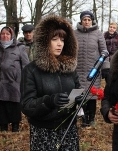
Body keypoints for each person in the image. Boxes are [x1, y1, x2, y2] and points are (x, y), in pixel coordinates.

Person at [21, 14, 81, 151]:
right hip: (44, 132)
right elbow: (27, 105)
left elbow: (77, 89)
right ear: (44, 42)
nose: (60, 43)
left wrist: (79, 99)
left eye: (62, 39)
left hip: (68, 129)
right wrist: (49, 101)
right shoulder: (31, 71)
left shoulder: (69, 68)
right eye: (54, 39)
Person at [0, 26, 29, 132]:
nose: (5, 36)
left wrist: (26, 84)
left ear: (11, 36)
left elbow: (26, 66)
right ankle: (3, 128)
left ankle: (15, 128)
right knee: (0, 106)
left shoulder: (19, 47)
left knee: (13, 106)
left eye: (7, 34)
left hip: (14, 83)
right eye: (3, 34)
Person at [74, 10, 109, 127]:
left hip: (93, 69)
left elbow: (104, 51)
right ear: (81, 21)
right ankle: (83, 118)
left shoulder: (98, 33)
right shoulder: (74, 33)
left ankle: (92, 118)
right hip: (78, 69)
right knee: (80, 95)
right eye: (84, 20)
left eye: (89, 20)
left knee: (92, 95)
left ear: (92, 21)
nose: (87, 22)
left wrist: (105, 68)